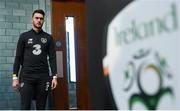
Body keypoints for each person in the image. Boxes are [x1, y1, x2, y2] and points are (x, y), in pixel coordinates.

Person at [12, 9, 58, 110]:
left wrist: (54, 76)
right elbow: (18, 57)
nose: (39, 20)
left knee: (41, 107)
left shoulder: (48, 38)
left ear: (43, 20)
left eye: (41, 19)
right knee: (25, 106)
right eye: (36, 18)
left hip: (43, 77)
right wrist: (15, 77)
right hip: (26, 76)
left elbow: (52, 58)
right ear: (32, 19)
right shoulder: (24, 36)